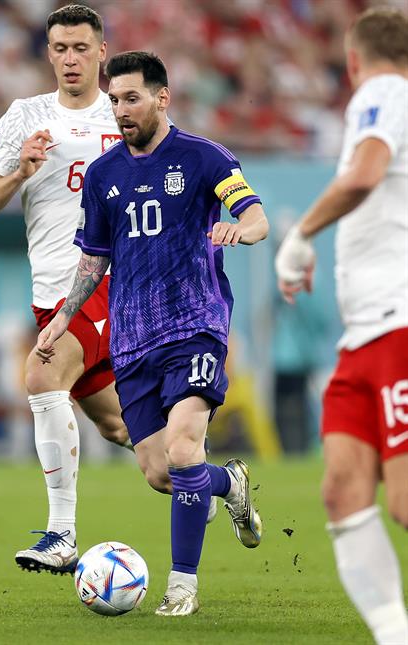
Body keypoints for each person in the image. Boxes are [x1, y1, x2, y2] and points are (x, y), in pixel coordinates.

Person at [38, 51, 268, 616]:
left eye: (131, 98)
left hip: (195, 326)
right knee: (163, 471)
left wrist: (244, 230)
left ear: (163, 97)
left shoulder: (203, 157)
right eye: (114, 100)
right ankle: (228, 484)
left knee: (185, 444)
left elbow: (255, 214)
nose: (120, 110)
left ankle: (182, 585)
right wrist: (64, 318)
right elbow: (93, 260)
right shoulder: (103, 175)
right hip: (133, 340)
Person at [0, 4, 129, 576]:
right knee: (121, 428)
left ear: (102, 51)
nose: (70, 59)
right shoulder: (25, 116)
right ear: (48, 52)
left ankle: (62, 535)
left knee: (40, 374)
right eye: (60, 48)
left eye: (81, 48)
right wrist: (19, 173)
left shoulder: (126, 114)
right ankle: (207, 477)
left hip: (111, 283)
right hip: (50, 292)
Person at [274, 8, 408, 644]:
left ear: (354, 62)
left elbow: (362, 174)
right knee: (342, 490)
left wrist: (300, 234)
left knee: (405, 504)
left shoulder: (385, 92)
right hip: (365, 337)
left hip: (399, 325)